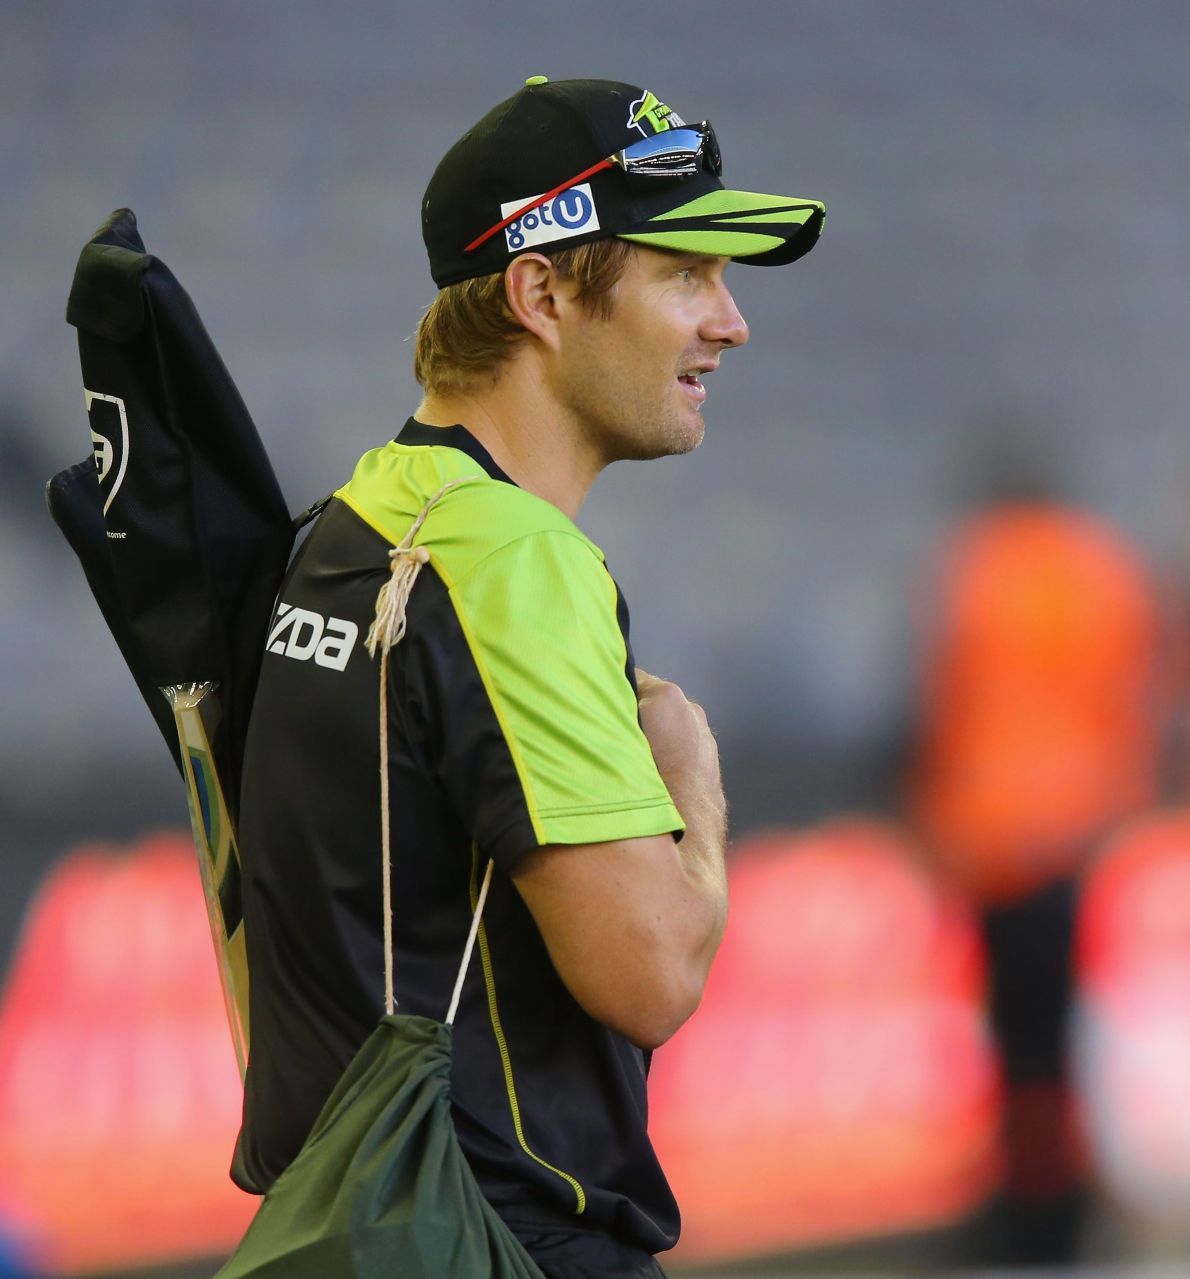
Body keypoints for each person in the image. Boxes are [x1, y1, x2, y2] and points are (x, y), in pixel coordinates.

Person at [231, 75, 822, 1277]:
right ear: (541, 291)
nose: (730, 321)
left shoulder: (358, 517)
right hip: (496, 1236)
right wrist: (692, 783)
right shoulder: (514, 562)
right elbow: (651, 972)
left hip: (347, 1230)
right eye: (683, 274)